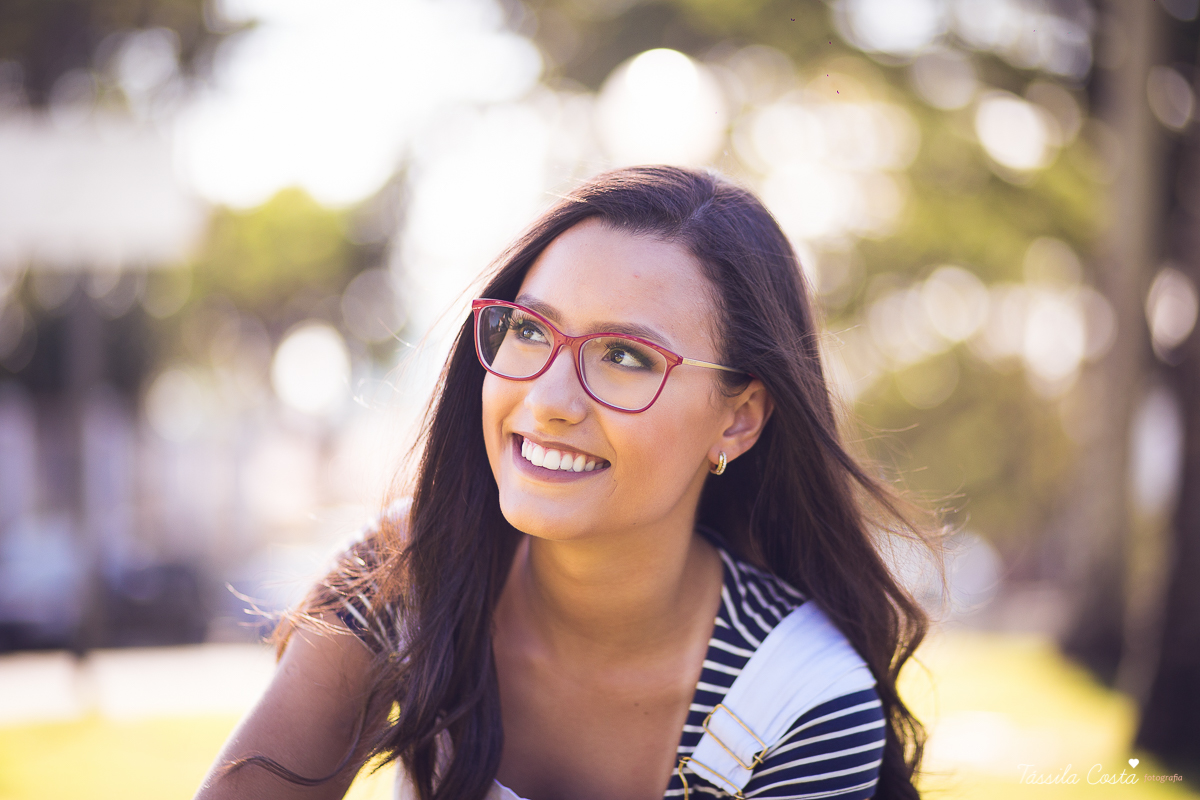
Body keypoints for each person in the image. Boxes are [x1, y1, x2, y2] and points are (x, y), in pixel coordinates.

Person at [195, 166, 930, 800]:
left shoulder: (796, 701)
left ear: (737, 421)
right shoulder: (403, 571)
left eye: (626, 356)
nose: (548, 400)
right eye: (529, 331)